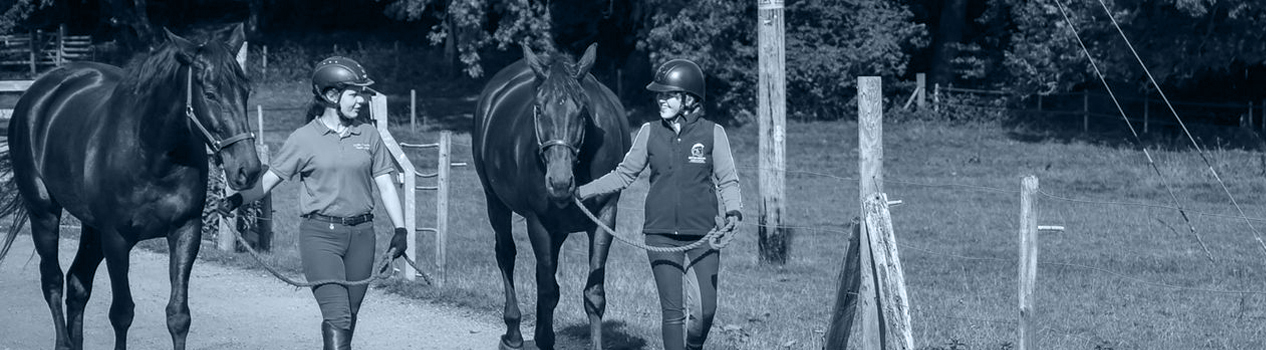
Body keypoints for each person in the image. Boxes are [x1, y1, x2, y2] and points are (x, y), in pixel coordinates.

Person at [218, 56, 408, 350]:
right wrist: (236, 200)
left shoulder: (368, 135)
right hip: (320, 237)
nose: (361, 101)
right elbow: (268, 182)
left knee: (349, 314)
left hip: (362, 236)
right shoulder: (303, 139)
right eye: (355, 93)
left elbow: (385, 183)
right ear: (331, 95)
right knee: (339, 314)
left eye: (362, 94)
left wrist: (400, 230)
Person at [576, 58, 742, 350]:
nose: (661, 100)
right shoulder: (649, 132)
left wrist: (734, 212)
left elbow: (728, 179)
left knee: (705, 311)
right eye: (659, 95)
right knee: (673, 312)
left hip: (704, 236)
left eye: (669, 95)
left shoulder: (713, 134)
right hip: (660, 234)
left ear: (690, 98)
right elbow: (623, 174)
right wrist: (582, 191)